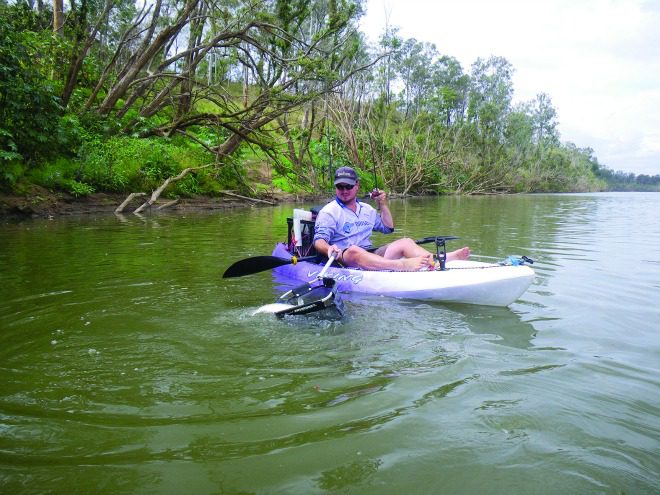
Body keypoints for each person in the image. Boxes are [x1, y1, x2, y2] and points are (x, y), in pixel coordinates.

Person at [313, 166, 470, 271]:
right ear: (336, 187)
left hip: (371, 254)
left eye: (348, 186)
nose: (344, 190)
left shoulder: (367, 210)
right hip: (344, 258)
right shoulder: (329, 212)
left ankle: (435, 260)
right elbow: (318, 241)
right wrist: (329, 249)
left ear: (357, 186)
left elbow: (388, 228)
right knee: (354, 250)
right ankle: (402, 265)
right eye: (340, 186)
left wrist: (382, 204)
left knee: (405, 241)